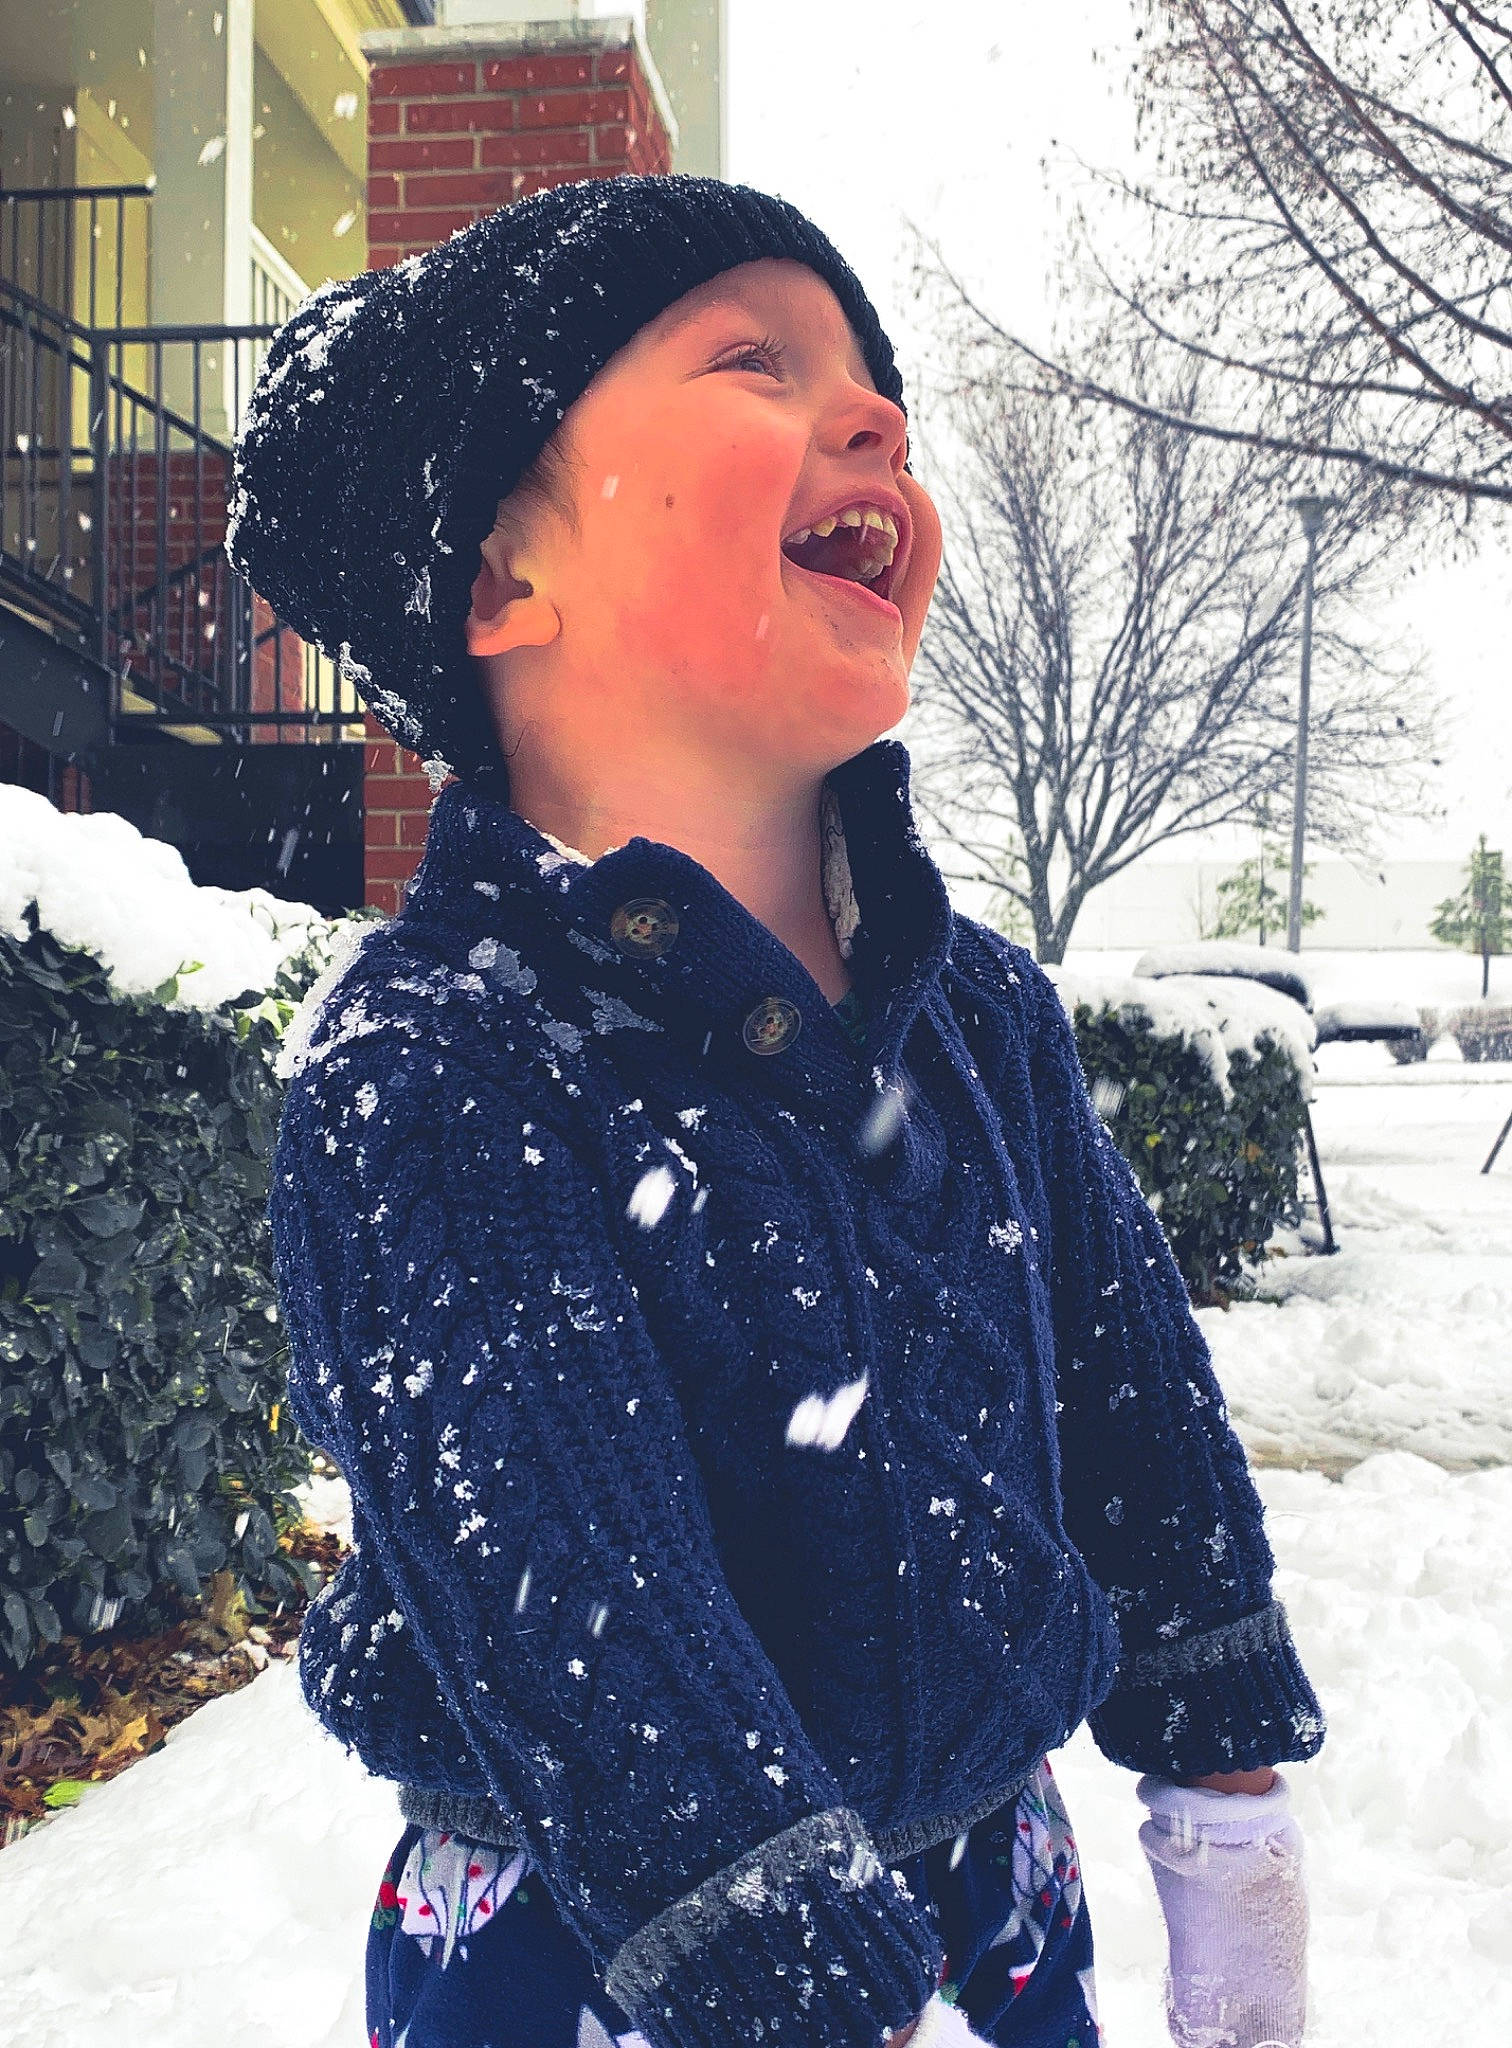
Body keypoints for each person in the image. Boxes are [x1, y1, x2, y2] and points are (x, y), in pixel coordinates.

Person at [228, 174, 1325, 2048]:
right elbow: (572, 1604)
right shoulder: (435, 1070)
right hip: (615, 1945)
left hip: (997, 1893)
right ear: (501, 580)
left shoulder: (980, 1018)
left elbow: (1137, 1413)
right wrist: (793, 1980)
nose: (875, 416)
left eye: (874, 387)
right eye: (758, 361)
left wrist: (1231, 1796)